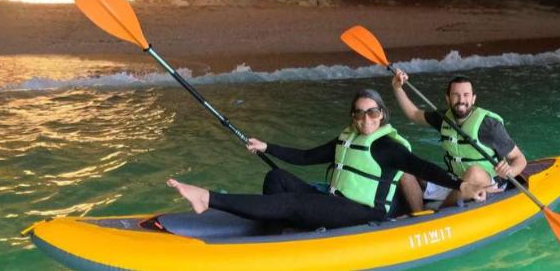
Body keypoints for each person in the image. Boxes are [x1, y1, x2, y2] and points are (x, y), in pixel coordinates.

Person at [167, 89, 486, 230]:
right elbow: (307, 157)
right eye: (359, 113)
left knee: (294, 202)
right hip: (334, 201)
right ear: (353, 117)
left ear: (382, 115)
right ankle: (276, 232)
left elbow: (422, 168)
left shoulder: (387, 146)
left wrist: (462, 185)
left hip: (363, 213)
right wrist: (267, 147)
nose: (366, 119)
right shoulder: (346, 138)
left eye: (372, 112)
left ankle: (207, 198)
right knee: (277, 179)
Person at [391, 72, 528, 210]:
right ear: (448, 98)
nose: (461, 99)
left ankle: (437, 215)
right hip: (454, 180)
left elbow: (519, 159)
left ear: (473, 99)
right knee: (405, 169)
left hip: (488, 183)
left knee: (473, 172)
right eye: (456, 95)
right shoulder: (443, 118)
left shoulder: (488, 125)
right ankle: (418, 215)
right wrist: (397, 88)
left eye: (466, 95)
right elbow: (414, 114)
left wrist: (510, 170)